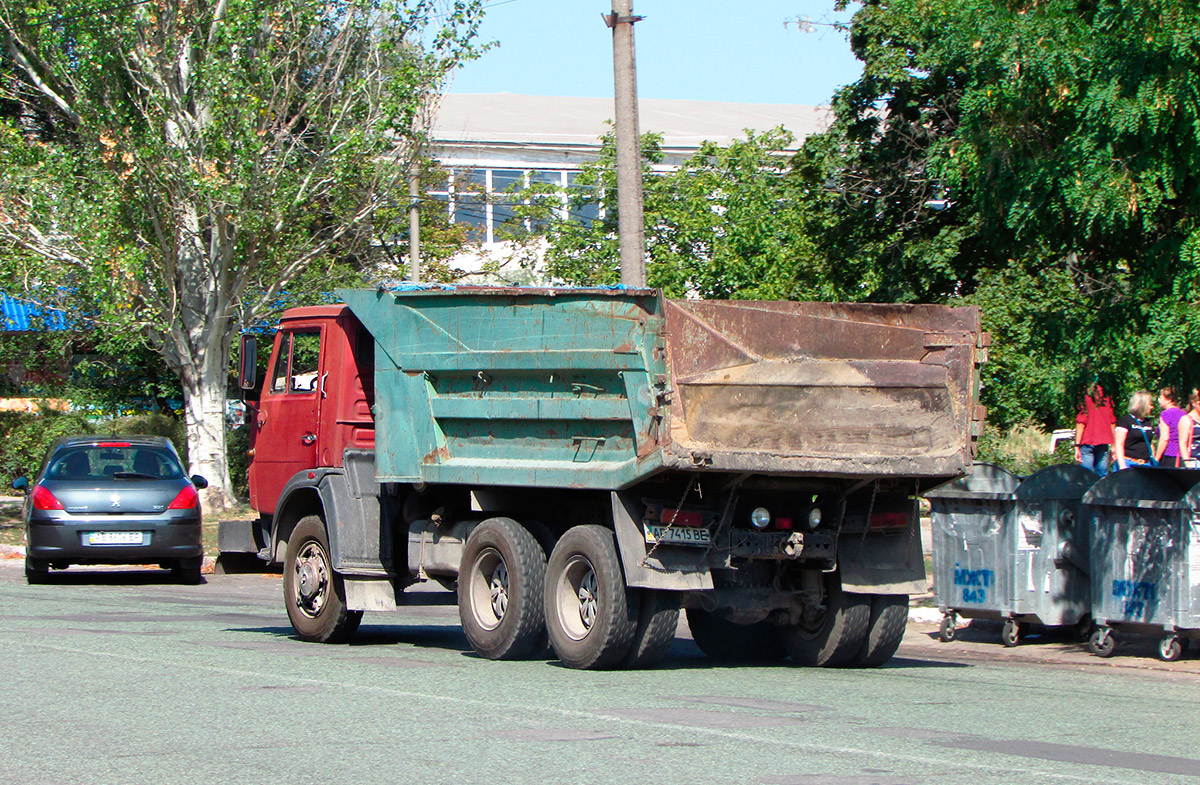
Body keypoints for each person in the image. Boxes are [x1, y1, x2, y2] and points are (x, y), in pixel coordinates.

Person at [1074, 382, 1116, 475]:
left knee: (1087, 476)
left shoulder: (1084, 394)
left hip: (1087, 440)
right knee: (1102, 475)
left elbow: (1081, 421)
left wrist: (1077, 446)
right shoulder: (1106, 394)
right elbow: (1112, 421)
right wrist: (1114, 445)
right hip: (1104, 441)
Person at [1113, 390, 1156, 470]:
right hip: (1129, 463)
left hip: (1146, 465)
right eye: (1150, 404)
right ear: (1142, 404)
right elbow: (1119, 444)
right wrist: (1122, 465)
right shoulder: (1126, 420)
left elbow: (1150, 443)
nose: (1152, 407)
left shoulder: (1148, 422)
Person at [1154, 387, 1190, 468]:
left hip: (1169, 454)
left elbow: (1164, 438)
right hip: (1183, 455)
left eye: (1160, 397)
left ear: (1168, 400)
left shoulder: (1166, 414)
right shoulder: (1184, 414)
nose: (1158, 400)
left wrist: (1156, 458)